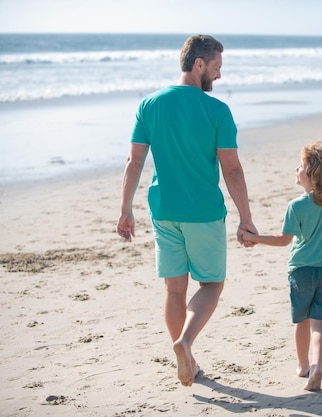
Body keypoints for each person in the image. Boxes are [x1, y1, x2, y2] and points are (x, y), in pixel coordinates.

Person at [116, 34, 257, 387]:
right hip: (204, 213)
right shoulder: (217, 111)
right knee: (211, 284)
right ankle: (186, 342)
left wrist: (125, 210)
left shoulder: (149, 104)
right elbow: (233, 169)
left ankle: (188, 361)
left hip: (163, 210)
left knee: (174, 290)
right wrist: (246, 217)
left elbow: (134, 161)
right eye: (217, 67)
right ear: (199, 65)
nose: (219, 76)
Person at [242, 141, 322, 391]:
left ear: (313, 175)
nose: (297, 168)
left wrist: (254, 238)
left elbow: (283, 240)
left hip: (302, 272)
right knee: (321, 323)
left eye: (302, 166)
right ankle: (318, 365)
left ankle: (302, 366)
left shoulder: (296, 206)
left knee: (302, 322)